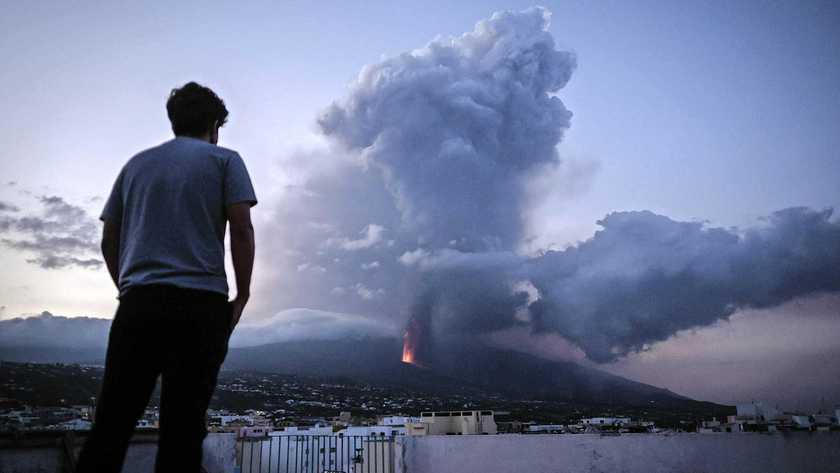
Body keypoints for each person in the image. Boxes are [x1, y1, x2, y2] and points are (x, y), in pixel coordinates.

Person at [76, 82, 257, 473]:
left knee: (112, 423)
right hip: (201, 306)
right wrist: (241, 297)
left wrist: (127, 285)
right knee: (183, 429)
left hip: (140, 304)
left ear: (174, 121)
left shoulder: (136, 165)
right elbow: (241, 230)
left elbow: (110, 237)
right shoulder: (225, 160)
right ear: (214, 125)